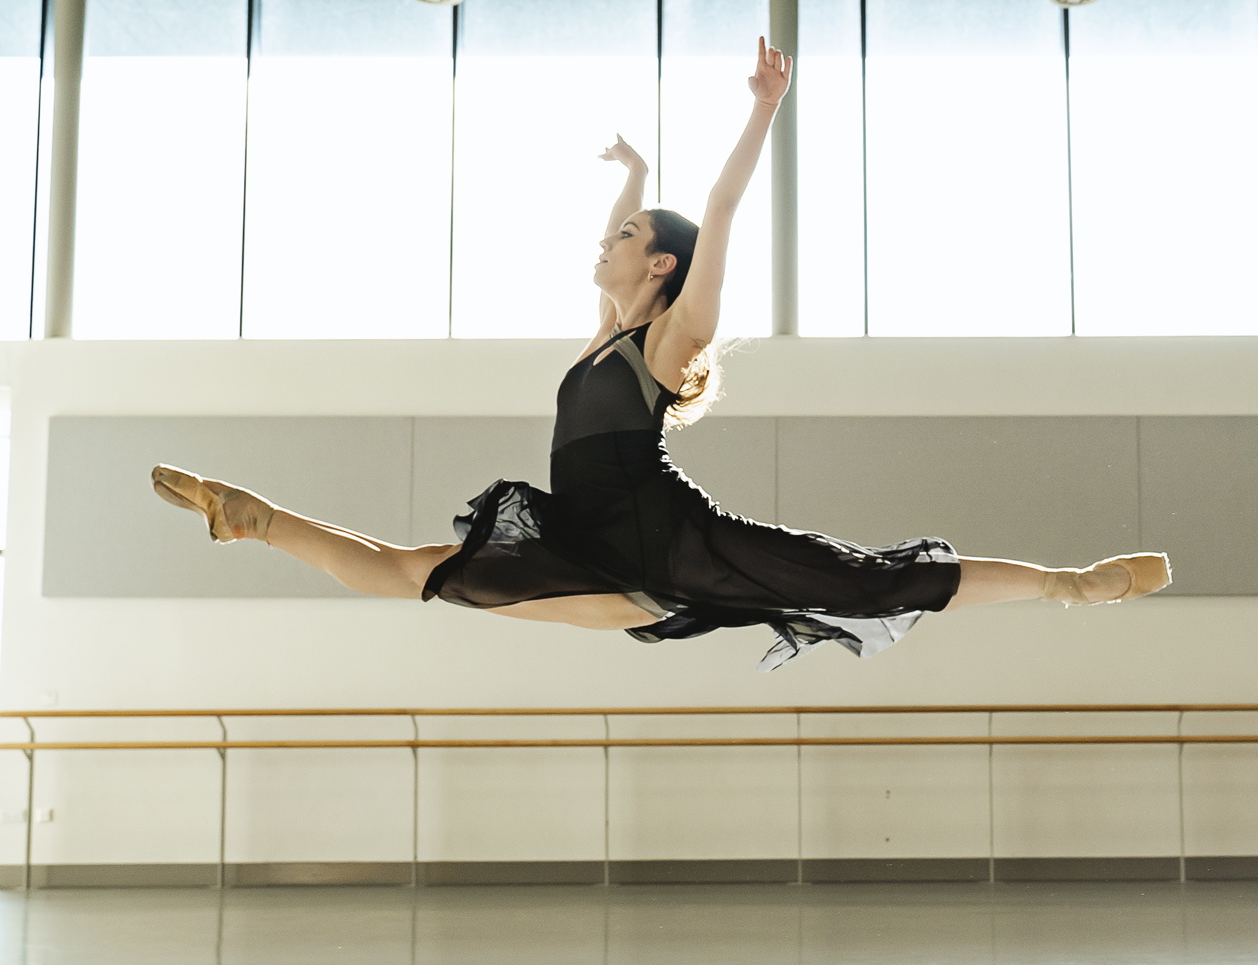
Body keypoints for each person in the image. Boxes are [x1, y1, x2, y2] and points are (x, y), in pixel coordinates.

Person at [152, 38, 1169, 670]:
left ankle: (1068, 582)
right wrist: (632, 177)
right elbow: (620, 255)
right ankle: (257, 516)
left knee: (864, 579)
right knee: (415, 569)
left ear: (667, 261)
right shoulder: (605, 335)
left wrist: (761, 109)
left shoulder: (669, 337)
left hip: (668, 540)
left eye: (627, 232)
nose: (606, 243)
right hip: (605, 549)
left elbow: (720, 213)